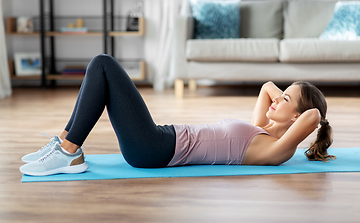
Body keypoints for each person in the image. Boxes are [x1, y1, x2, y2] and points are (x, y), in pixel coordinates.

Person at [20, 54, 335, 176]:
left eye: (285, 99)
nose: (276, 100)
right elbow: (266, 88)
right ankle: (64, 145)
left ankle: (69, 152)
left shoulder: (276, 151)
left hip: (155, 148)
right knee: (98, 67)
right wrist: (280, 92)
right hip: (158, 138)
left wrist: (311, 113)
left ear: (297, 117)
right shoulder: (261, 133)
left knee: (103, 65)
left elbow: (311, 117)